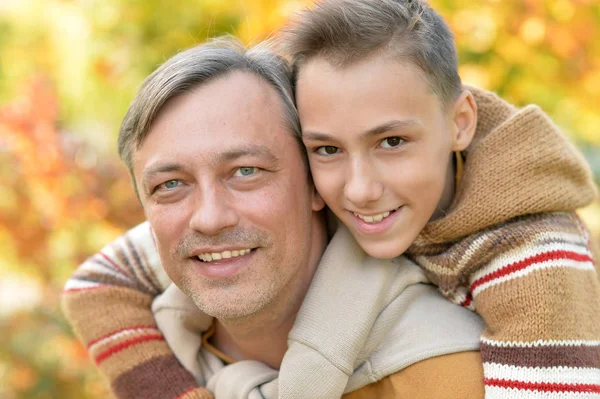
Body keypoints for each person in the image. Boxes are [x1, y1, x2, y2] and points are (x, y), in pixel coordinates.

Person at [64, 0, 600, 397]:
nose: (359, 188)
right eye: (327, 149)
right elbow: (98, 282)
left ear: (461, 124)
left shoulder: (531, 255)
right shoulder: (226, 225)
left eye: (392, 142)